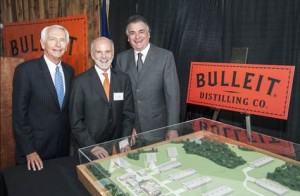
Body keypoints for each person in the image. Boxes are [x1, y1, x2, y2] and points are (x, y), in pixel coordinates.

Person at [12, 25, 74, 171]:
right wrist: (29, 150)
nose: (58, 44)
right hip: (35, 153)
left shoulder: (69, 71)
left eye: (62, 40)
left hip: (63, 150)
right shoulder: (25, 71)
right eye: (52, 39)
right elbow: (19, 115)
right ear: (42, 43)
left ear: (67, 45)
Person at [115, 15, 180, 143]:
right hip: (132, 132)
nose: (137, 37)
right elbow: (119, 97)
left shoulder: (165, 57)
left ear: (149, 34)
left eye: (141, 31)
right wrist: (126, 127)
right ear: (128, 38)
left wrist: (172, 128)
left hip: (158, 130)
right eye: (132, 33)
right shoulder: (121, 59)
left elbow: (172, 95)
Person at [69, 37, 135, 159]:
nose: (104, 56)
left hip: (117, 148)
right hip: (90, 149)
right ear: (92, 55)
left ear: (113, 54)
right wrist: (91, 146)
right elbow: (76, 121)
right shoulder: (80, 82)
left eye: (107, 51)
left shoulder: (123, 79)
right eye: (99, 52)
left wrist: (125, 140)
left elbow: (128, 114)